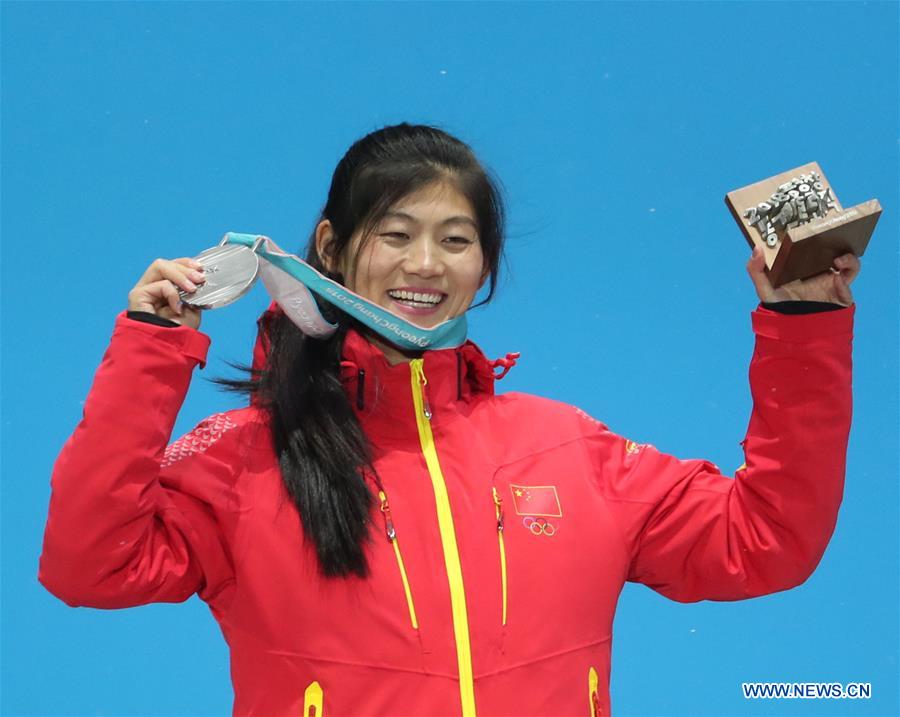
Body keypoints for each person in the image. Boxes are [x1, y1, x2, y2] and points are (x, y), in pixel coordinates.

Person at [38, 123, 860, 717]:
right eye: (395, 234)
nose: (425, 265)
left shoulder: (569, 448)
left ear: (484, 266)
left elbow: (767, 540)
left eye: (456, 239)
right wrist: (152, 350)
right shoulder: (248, 460)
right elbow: (89, 564)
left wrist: (803, 325)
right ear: (330, 245)